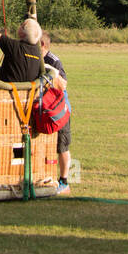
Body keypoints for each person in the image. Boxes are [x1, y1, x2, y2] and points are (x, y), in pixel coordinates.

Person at [41, 30, 72, 192]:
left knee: (62, 146)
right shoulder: (33, 59)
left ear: (42, 44)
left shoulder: (53, 61)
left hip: (59, 110)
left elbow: (63, 84)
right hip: (44, 109)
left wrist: (51, 74)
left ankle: (64, 181)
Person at [0, 16, 45, 84]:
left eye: (22, 25)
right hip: (29, 92)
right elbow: (20, 69)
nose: (19, 26)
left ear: (23, 33)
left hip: (7, 91)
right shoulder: (37, 52)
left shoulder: (14, 46)